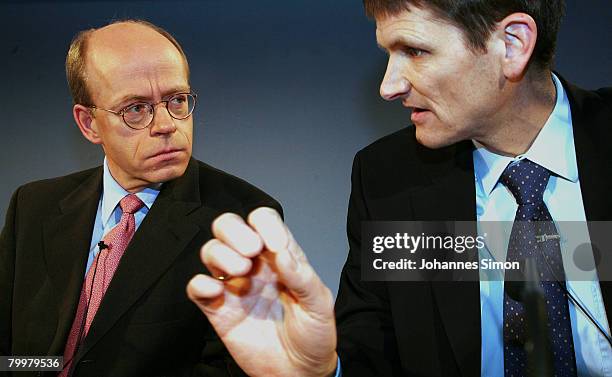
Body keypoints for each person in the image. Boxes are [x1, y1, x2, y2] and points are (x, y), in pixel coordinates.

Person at [187, 0, 612, 376]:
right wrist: (321, 372)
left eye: (415, 50)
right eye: (389, 54)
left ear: (513, 43)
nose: (388, 86)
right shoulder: (388, 179)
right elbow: (373, 354)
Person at [0, 20, 280, 376]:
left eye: (177, 100)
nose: (166, 124)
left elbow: (228, 370)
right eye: (135, 108)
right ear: (89, 124)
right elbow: (9, 355)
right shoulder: (33, 206)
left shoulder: (243, 218)